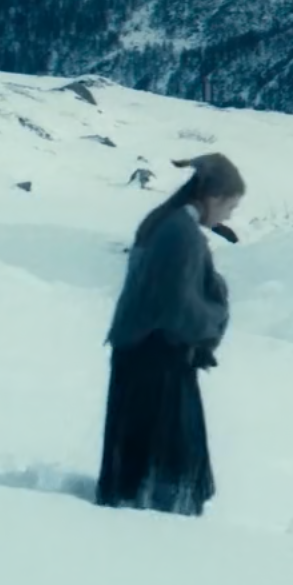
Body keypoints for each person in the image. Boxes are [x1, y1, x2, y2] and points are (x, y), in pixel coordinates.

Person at [97, 153, 243, 517]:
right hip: (160, 358)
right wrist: (212, 319)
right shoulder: (182, 234)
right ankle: (160, 525)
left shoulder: (165, 222)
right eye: (230, 205)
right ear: (213, 197)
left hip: (140, 351)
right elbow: (178, 303)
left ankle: (130, 506)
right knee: (168, 456)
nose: (229, 216)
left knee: (136, 448)